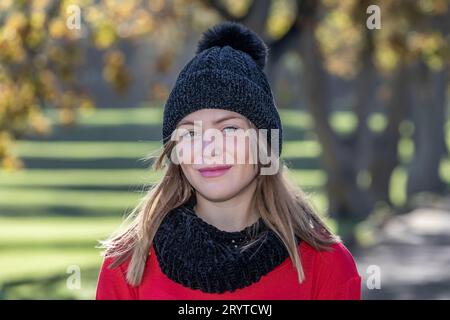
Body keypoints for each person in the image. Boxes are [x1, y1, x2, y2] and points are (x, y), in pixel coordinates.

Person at [95, 21, 361, 300]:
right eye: (191, 132)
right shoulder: (127, 263)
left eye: (229, 129)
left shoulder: (326, 265)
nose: (209, 148)